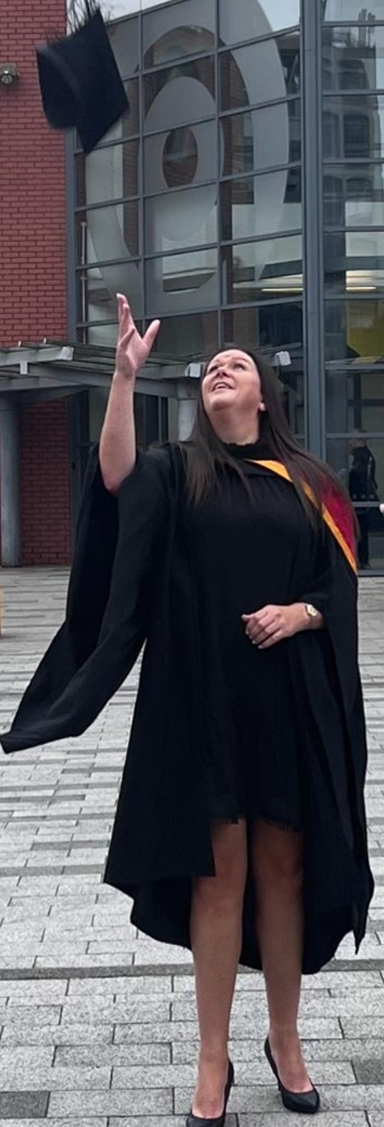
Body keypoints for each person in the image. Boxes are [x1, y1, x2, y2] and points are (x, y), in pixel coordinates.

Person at [1, 297, 374, 1124]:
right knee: (219, 877)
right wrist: (124, 379)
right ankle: (214, 1057)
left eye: (236, 366)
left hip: (286, 704)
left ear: (264, 395)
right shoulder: (176, 471)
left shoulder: (310, 483)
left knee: (284, 871)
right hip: (202, 697)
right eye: (211, 369)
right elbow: (113, 477)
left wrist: (300, 614)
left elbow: (340, 587)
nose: (220, 371)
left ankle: (286, 1037)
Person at [349, 431, 379, 569]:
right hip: (363, 497)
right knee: (362, 531)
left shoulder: (361, 456)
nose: (350, 441)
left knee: (359, 531)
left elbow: (358, 475)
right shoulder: (367, 456)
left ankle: (362, 560)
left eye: (353, 438)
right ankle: (363, 560)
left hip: (360, 498)